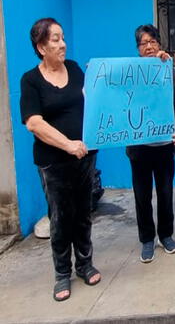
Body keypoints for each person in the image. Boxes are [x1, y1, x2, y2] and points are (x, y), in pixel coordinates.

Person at [20, 18, 101, 301]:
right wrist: (67, 145)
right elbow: (33, 123)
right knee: (60, 217)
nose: (63, 43)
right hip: (53, 162)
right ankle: (62, 274)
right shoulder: (31, 80)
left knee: (83, 214)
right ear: (41, 47)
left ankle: (85, 263)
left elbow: (97, 98)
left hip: (85, 157)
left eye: (62, 37)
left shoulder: (76, 70)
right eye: (55, 39)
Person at [126, 25, 175, 263]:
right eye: (143, 43)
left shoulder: (167, 69)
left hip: (164, 145)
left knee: (166, 192)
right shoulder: (129, 72)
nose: (149, 46)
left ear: (159, 44)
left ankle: (166, 235)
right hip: (139, 148)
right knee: (141, 195)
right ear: (138, 48)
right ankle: (147, 239)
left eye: (152, 42)